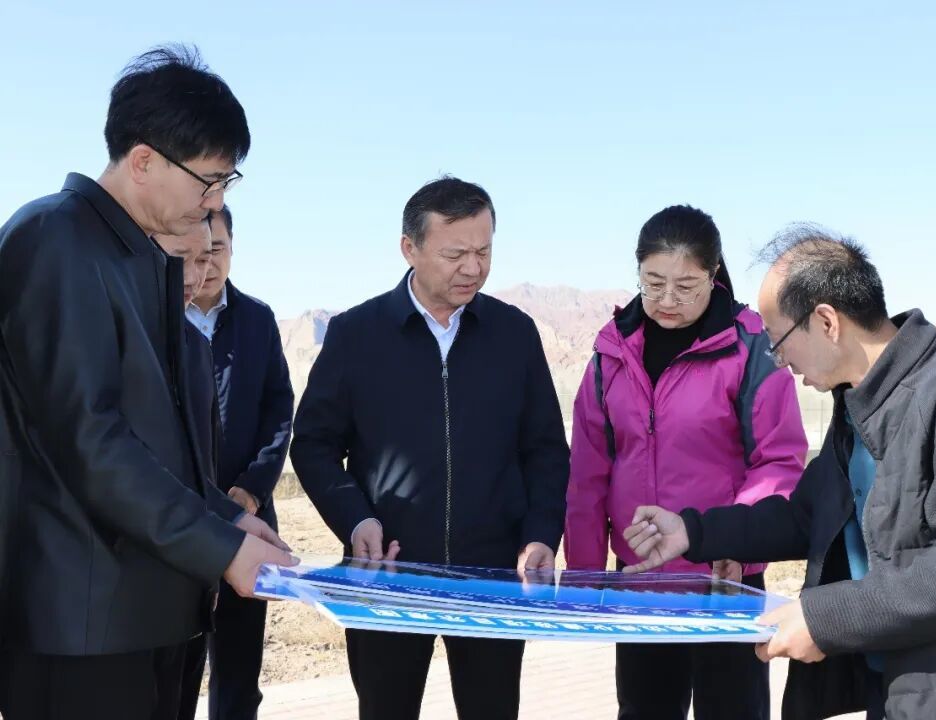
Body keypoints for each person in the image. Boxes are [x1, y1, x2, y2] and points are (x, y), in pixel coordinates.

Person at [623, 224, 936, 720]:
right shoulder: (860, 407)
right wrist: (693, 532)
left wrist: (825, 619)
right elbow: (805, 518)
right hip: (908, 688)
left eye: (779, 342)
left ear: (826, 322)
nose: (780, 362)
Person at [0, 45, 294, 720]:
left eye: (227, 183)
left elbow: (162, 449)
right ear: (142, 162)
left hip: (151, 615)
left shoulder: (137, 258)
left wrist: (232, 518)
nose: (215, 203)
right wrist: (222, 547)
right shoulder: (56, 240)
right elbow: (90, 442)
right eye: (209, 181)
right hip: (82, 628)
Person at [291, 176, 570, 720]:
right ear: (409, 248)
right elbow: (314, 445)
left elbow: (545, 451)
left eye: (484, 251)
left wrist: (540, 535)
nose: (473, 268)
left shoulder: (515, 334)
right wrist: (355, 520)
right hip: (387, 576)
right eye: (455, 254)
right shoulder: (356, 335)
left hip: (492, 577)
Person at [564, 205, 806, 720]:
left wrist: (736, 543)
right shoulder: (612, 351)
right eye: (653, 284)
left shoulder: (749, 346)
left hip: (725, 578)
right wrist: (585, 574)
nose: (667, 300)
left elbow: (778, 460)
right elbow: (588, 471)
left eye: (686, 286)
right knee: (644, 710)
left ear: (713, 275)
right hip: (640, 581)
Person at [178, 205, 295, 720]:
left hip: (250, 521)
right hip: (178, 523)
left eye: (217, 250)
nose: (207, 265)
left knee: (239, 674)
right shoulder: (157, 317)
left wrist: (251, 490)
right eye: (195, 254)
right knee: (176, 668)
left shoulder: (257, 320)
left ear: (233, 248)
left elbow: (279, 412)